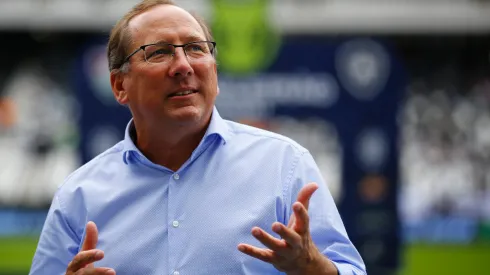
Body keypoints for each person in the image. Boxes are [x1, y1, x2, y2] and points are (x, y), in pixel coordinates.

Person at [29, 0, 366, 274]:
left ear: (214, 74)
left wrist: (313, 267)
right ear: (119, 85)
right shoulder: (78, 196)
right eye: (158, 52)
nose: (183, 65)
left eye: (195, 48)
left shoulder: (284, 166)